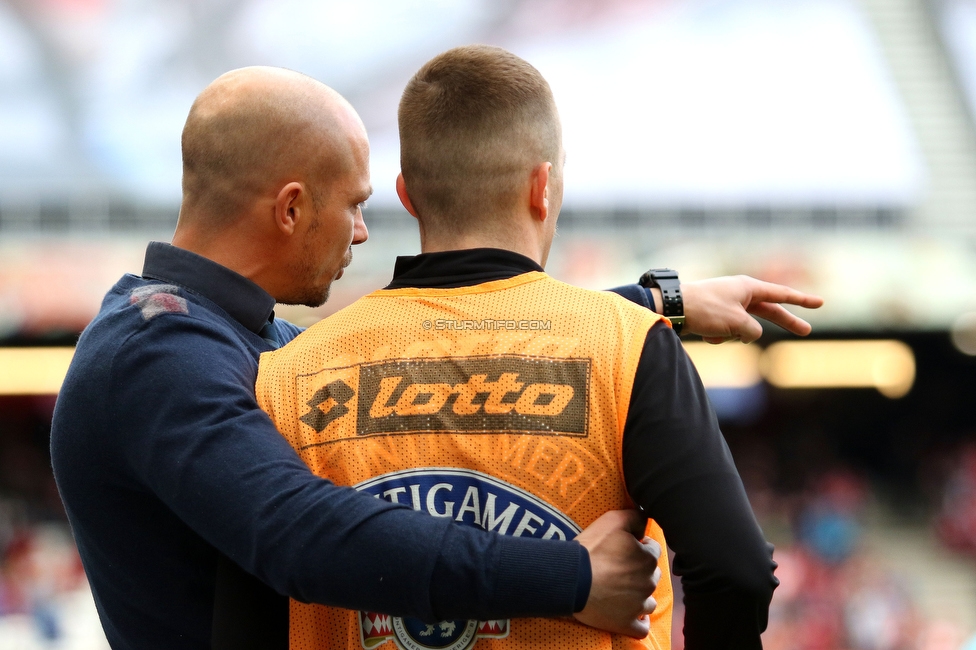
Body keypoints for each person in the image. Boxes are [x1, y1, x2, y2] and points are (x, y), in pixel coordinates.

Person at [50, 66, 818, 649]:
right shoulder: (153, 352)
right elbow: (302, 533)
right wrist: (573, 578)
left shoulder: (239, 340)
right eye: (352, 204)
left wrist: (655, 303)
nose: (360, 232)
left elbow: (428, 345)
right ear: (290, 208)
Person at [255, 47, 802, 650]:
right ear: (543, 187)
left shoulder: (287, 374)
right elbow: (736, 570)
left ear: (408, 195)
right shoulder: (628, 346)